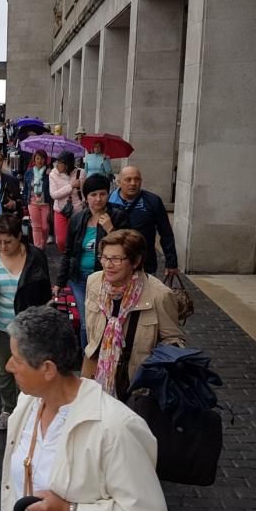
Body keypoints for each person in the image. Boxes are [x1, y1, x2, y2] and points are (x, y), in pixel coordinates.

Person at [0, 305, 174, 511]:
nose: (8, 366)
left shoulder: (113, 427)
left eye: (16, 360)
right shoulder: (27, 406)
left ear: (47, 369)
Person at [83, 229, 185, 400]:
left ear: (136, 261)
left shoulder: (159, 295)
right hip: (94, 376)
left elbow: (173, 341)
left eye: (116, 259)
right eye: (104, 257)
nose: (107, 265)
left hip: (136, 387)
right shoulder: (94, 282)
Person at [0, 214, 52, 430]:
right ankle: (8, 408)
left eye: (8, 241)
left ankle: (25, 409)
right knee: (2, 370)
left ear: (20, 237)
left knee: (27, 368)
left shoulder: (36, 257)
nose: (3, 246)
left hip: (26, 327)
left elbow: (44, 291)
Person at [55, 174, 123, 347]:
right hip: (80, 280)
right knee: (87, 323)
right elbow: (68, 252)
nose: (98, 199)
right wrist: (60, 281)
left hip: (106, 278)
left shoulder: (118, 216)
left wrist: (111, 230)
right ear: (86, 197)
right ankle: (88, 359)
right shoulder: (78, 219)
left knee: (108, 321)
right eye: (93, 195)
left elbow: (127, 248)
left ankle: (106, 358)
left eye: (102, 194)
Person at [108, 166, 178, 276]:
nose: (133, 183)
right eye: (128, 179)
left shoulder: (153, 201)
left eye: (137, 179)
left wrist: (171, 262)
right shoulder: (108, 202)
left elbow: (166, 233)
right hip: (114, 265)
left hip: (145, 265)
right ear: (119, 182)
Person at [49, 150, 84, 253]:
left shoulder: (80, 173)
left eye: (61, 163)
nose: (57, 165)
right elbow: (54, 194)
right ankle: (66, 254)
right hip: (61, 210)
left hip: (77, 210)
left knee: (76, 238)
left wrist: (80, 186)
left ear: (68, 165)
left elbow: (84, 192)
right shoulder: (53, 174)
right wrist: (71, 186)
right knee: (61, 240)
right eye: (57, 162)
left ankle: (74, 258)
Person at [22, 149, 52, 249]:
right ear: (34, 159)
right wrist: (24, 201)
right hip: (32, 202)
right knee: (36, 227)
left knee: (45, 227)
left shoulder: (49, 173)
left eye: (42, 158)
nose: (40, 160)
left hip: (45, 203)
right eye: (37, 158)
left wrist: (50, 174)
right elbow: (26, 188)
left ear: (45, 160)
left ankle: (42, 244)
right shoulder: (29, 172)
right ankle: (37, 249)